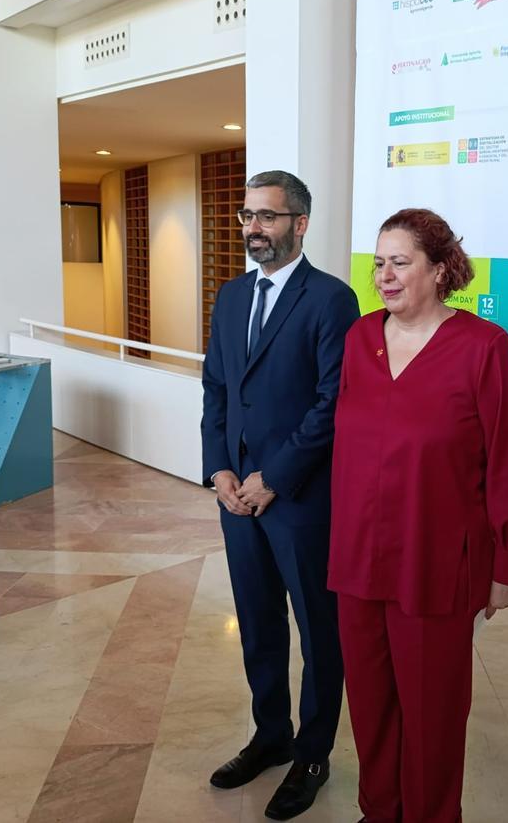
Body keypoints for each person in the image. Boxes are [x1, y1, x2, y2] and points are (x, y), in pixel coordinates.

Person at [329, 208, 508, 823]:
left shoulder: (483, 348)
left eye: (401, 262)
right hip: (358, 561)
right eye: (379, 262)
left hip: (436, 564)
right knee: (369, 706)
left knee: (432, 715)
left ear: (440, 269)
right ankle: (379, 811)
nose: (384, 276)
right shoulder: (359, 338)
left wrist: (507, 564)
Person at [200, 170, 359, 820]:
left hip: (299, 500)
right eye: (247, 216)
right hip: (236, 499)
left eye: (267, 216)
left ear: (300, 223)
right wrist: (219, 471)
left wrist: (275, 475)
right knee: (258, 623)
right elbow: (215, 387)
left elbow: (332, 402)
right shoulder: (231, 296)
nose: (253, 229)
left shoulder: (331, 300)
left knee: (319, 632)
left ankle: (313, 752)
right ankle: (272, 733)